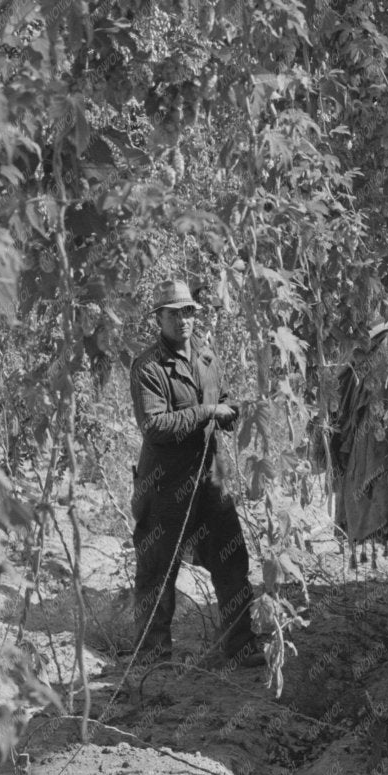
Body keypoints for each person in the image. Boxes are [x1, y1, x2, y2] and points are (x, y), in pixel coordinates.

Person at [130, 277, 264, 668]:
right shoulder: (148, 367)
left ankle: (240, 646)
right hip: (165, 487)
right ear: (160, 319)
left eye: (189, 312)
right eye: (174, 314)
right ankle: (154, 661)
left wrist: (229, 410)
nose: (183, 321)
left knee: (232, 561)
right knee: (158, 572)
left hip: (210, 481)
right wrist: (207, 413)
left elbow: (218, 400)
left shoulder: (207, 359)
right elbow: (154, 427)